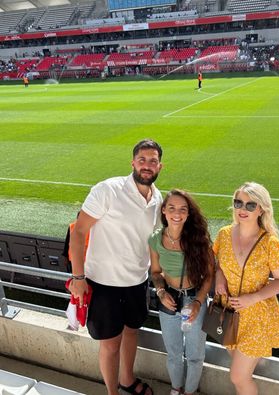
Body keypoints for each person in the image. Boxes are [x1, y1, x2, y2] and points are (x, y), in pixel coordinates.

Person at [69, 139, 163, 395]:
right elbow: (78, 233)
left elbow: (151, 241)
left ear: (160, 166)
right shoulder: (108, 189)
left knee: (132, 332)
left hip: (137, 282)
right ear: (132, 162)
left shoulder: (157, 198)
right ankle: (113, 393)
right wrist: (78, 277)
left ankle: (127, 381)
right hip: (104, 284)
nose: (147, 165)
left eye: (152, 161)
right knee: (110, 344)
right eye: (142, 160)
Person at [214, 182, 279, 395]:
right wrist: (219, 278)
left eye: (251, 205)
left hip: (256, 317)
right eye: (239, 203)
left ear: (262, 209)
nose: (243, 209)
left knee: (238, 376)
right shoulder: (224, 234)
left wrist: (253, 298)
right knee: (240, 375)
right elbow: (217, 264)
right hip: (230, 314)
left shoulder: (270, 242)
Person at [149, 189, 214, 395]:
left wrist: (197, 302)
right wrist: (160, 291)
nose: (177, 213)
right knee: (173, 353)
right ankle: (176, 389)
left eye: (182, 209)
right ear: (164, 211)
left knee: (195, 355)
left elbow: (210, 276)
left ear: (188, 214)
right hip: (169, 300)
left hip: (195, 299)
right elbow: (156, 272)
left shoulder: (199, 240)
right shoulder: (155, 240)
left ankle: (190, 391)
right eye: (172, 208)